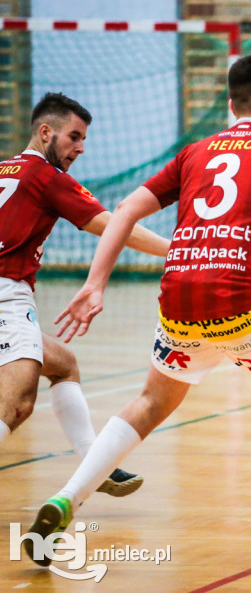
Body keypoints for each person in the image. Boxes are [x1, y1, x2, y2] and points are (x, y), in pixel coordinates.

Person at [24, 54, 251, 575]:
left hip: (179, 302)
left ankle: (67, 497)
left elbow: (123, 211)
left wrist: (95, 284)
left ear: (231, 104)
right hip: (243, 304)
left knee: (149, 401)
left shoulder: (195, 152)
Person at [0, 92, 170, 496]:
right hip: (7, 295)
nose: (80, 148)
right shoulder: (46, 177)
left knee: (63, 364)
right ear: (45, 133)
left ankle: (96, 463)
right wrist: (180, 250)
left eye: (83, 140)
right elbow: (114, 226)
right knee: (18, 401)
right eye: (73, 137)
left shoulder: (5, 169)